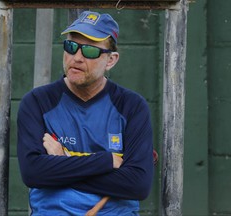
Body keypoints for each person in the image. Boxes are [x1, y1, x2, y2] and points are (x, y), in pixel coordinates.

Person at [17, 10, 154, 216]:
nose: (77, 58)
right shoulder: (37, 102)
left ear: (111, 60)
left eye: (89, 51)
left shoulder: (131, 106)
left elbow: (137, 185)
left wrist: (62, 162)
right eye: (71, 47)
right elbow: (33, 172)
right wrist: (106, 161)